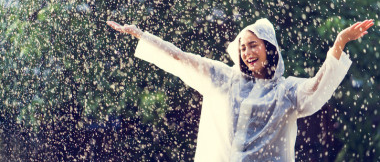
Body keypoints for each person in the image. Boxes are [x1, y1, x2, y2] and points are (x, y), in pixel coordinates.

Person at [106, 18, 374, 161]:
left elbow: (317, 86)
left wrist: (339, 43)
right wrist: (143, 36)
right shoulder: (226, 79)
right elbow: (182, 58)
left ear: (269, 48)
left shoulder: (287, 90)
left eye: (253, 45)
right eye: (242, 47)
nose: (247, 52)